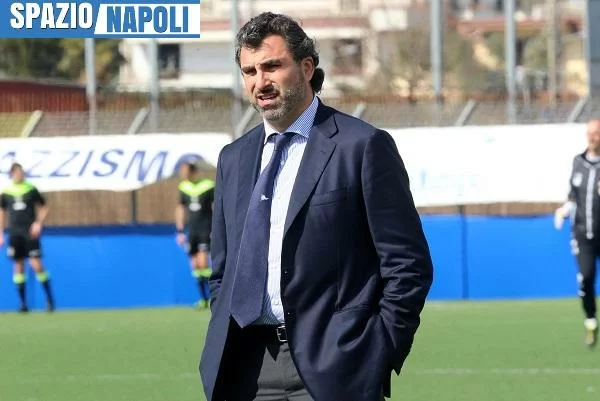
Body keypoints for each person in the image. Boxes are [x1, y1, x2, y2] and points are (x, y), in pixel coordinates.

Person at [199, 12, 434, 401]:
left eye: (272, 66)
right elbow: (223, 271)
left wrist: (378, 351)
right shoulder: (233, 158)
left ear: (307, 67)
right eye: (250, 71)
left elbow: (408, 265)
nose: (260, 81)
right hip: (244, 370)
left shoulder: (361, 146)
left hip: (336, 369)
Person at [555, 118, 600, 348]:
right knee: (586, 277)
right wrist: (564, 209)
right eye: (589, 133)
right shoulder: (578, 162)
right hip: (583, 234)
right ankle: (590, 320)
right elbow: (573, 194)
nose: (592, 137)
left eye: (596, 133)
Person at [0, 162, 54, 313]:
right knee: (18, 265)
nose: (20, 175)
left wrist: (38, 223)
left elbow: (45, 206)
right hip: (15, 233)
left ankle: (49, 300)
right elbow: (2, 212)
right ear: (12, 174)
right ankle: (23, 304)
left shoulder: (30, 189)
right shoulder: (6, 192)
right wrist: (1, 232)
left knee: (36, 264)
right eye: (17, 172)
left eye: (21, 172)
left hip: (30, 233)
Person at [175, 161, 215, 309]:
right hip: (192, 231)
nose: (182, 174)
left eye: (185, 171)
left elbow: (215, 206)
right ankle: (203, 299)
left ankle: (213, 298)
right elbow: (181, 208)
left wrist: (216, 227)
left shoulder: (208, 186)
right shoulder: (183, 187)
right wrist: (180, 230)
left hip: (206, 229)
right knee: (195, 265)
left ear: (192, 171)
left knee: (204, 263)